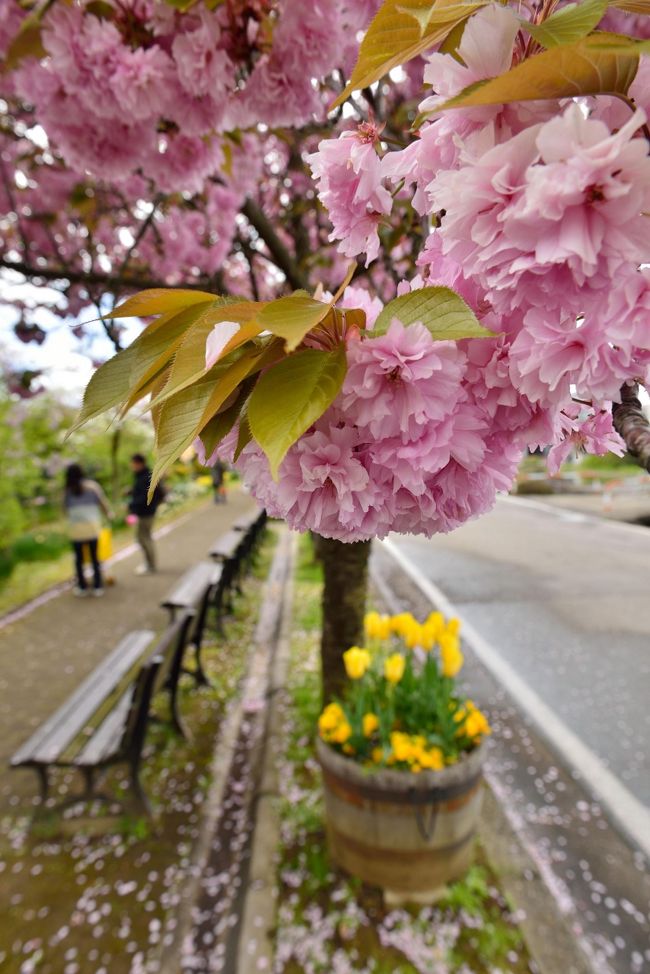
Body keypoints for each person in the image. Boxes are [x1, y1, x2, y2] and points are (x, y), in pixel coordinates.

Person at [63, 463, 113, 597]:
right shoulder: (92, 486)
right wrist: (109, 514)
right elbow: (103, 503)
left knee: (79, 561)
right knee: (95, 558)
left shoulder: (67, 490)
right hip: (92, 529)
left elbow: (65, 510)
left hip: (76, 531)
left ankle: (82, 586)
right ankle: (97, 586)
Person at [128, 453, 165, 575]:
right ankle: (150, 564)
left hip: (146, 512)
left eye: (133, 463)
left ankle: (150, 565)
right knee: (144, 537)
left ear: (138, 463)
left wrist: (131, 505)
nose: (131, 466)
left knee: (143, 538)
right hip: (147, 511)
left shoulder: (144, 477)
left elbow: (144, 496)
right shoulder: (144, 475)